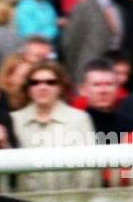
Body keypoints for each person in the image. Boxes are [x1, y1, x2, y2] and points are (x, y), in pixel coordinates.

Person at [11, 61, 98, 190]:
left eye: (50, 82)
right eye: (35, 83)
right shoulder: (14, 120)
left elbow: (89, 168)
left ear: (60, 87)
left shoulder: (79, 119)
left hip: (71, 200)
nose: (42, 87)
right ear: (28, 88)